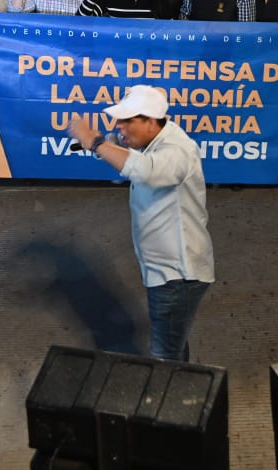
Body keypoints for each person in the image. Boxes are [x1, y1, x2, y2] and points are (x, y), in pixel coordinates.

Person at [67, 85, 214, 361]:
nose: (119, 126)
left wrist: (95, 143)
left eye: (127, 120)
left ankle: (175, 398)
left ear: (150, 121)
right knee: (174, 342)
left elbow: (146, 171)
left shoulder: (178, 151)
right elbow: (127, 152)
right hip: (165, 270)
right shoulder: (152, 140)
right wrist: (102, 141)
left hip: (177, 276)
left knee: (164, 357)